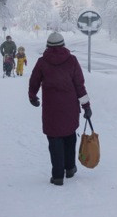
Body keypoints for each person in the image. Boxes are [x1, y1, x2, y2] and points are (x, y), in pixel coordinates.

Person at [28, 32, 92, 186]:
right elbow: (79, 85)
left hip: (51, 109)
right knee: (70, 136)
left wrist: (32, 96)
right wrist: (86, 106)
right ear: (63, 45)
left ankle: (57, 176)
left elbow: (34, 81)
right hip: (69, 107)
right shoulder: (72, 61)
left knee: (54, 139)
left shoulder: (42, 62)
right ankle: (70, 169)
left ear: (48, 46)